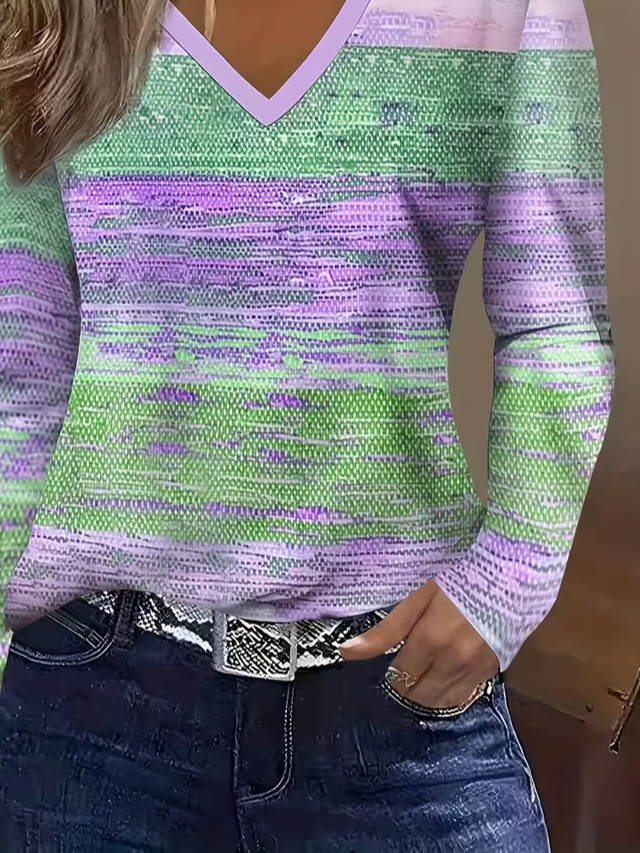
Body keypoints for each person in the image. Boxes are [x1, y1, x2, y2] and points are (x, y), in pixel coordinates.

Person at [0, 0, 613, 850]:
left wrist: (509, 575)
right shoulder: (61, 17)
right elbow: (21, 353)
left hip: (395, 702)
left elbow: (556, 321)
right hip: (94, 698)